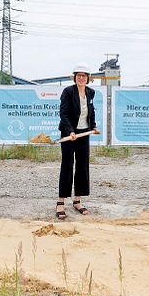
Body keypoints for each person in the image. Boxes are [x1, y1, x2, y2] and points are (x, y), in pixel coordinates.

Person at [56, 62, 100, 220]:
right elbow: (64, 114)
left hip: (84, 133)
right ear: (74, 77)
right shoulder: (67, 91)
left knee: (82, 166)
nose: (81, 78)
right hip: (70, 133)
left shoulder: (91, 92)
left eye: (84, 76)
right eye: (78, 75)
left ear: (88, 78)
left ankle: (77, 201)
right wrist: (71, 131)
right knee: (67, 165)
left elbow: (91, 111)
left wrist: (93, 126)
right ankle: (60, 202)